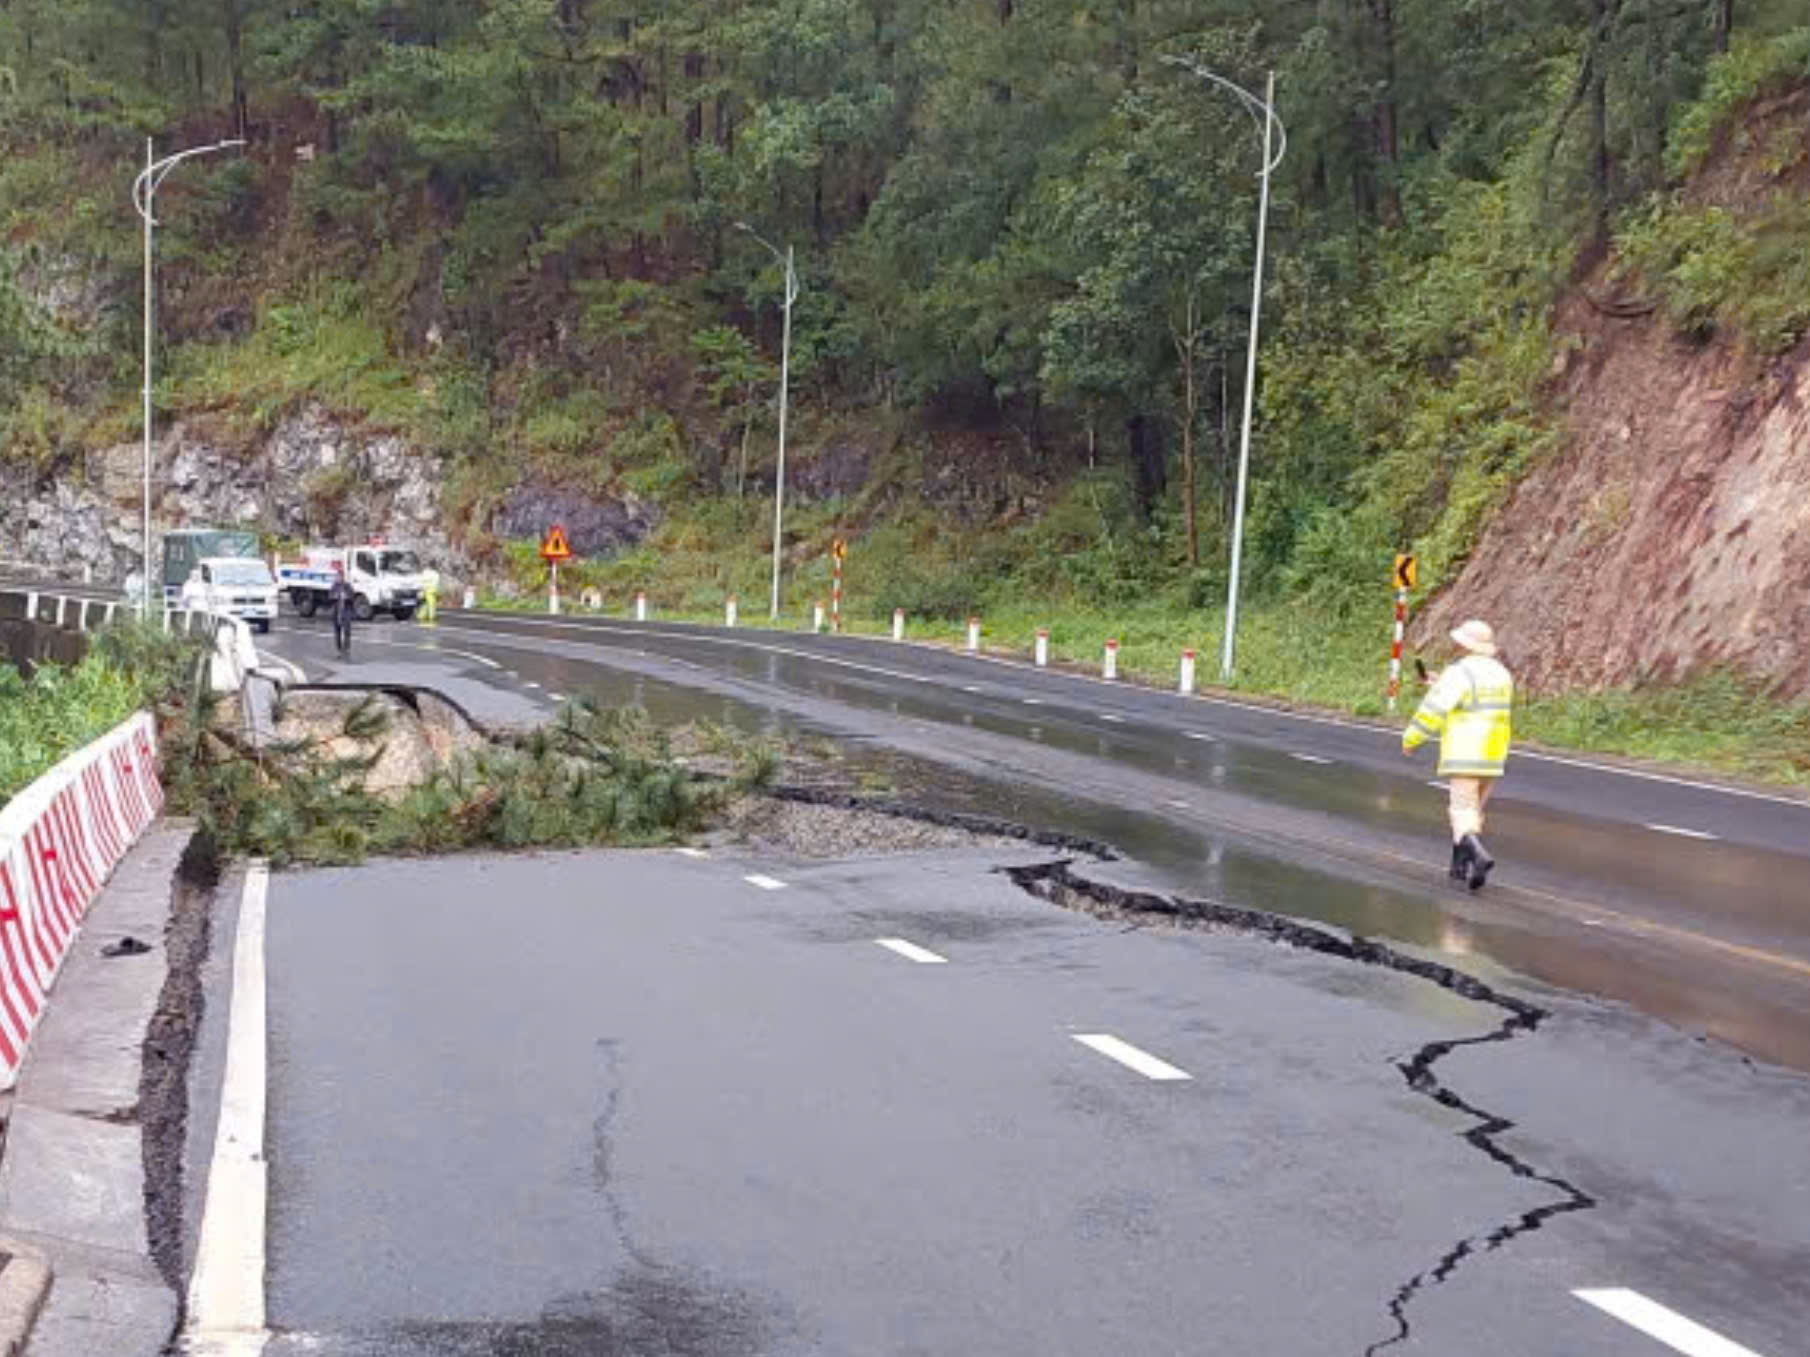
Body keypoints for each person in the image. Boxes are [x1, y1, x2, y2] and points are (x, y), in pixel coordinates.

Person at [1402, 618, 1513, 890]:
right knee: (1474, 811)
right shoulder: (1501, 674)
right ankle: (1459, 868)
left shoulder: (1459, 673)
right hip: (1494, 753)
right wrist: (1438, 682)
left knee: (1462, 810)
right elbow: (1475, 697)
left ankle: (1479, 856)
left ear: (1464, 645)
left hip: (1465, 751)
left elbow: (1434, 710)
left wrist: (1412, 738)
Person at [329, 561, 356, 656]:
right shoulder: (334, 586)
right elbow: (330, 597)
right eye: (337, 577)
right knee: (337, 632)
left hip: (346, 612)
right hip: (336, 612)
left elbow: (352, 596)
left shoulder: (347, 586)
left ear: (343, 577)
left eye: (340, 577)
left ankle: (346, 648)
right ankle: (338, 649)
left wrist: (347, 597)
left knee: (347, 631)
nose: (338, 578)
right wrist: (335, 596)